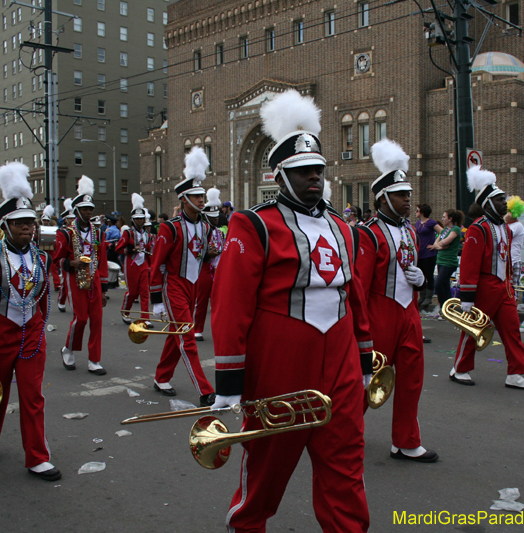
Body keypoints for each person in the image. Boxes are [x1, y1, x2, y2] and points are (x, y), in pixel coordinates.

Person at [210, 89, 373, 532]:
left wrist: (363, 358)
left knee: (345, 464)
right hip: (278, 365)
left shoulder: (343, 226)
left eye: (318, 170)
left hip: (338, 359)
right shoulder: (253, 224)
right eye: (302, 172)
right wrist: (229, 377)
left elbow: (354, 294)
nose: (313, 178)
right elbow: (231, 304)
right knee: (267, 469)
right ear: (279, 175)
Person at [0, 162, 60, 481]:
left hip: (31, 338)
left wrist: (40, 328)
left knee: (33, 397)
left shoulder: (41, 257)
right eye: (20, 224)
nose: (28, 228)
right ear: (5, 225)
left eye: (30, 222)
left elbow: (43, 295)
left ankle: (36, 457)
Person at [356, 138, 439, 462]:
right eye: (402, 195)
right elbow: (359, 287)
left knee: (411, 378)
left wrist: (419, 280)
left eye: (408, 195)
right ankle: (343, 433)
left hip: (408, 312)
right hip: (378, 314)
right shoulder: (368, 233)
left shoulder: (408, 229)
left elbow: (407, 264)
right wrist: (357, 329)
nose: (408, 201)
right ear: (383, 198)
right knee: (367, 379)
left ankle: (405, 441)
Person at [449, 166, 524, 390]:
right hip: (485, 286)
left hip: (504, 287)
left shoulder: (506, 229)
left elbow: (506, 260)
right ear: (488, 203)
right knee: (474, 328)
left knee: (512, 329)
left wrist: (511, 285)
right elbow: (470, 264)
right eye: (500, 200)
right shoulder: (478, 228)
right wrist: (467, 296)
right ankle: (460, 368)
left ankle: (516, 373)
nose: (504, 204)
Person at [148, 147, 216, 405]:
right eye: (197, 197)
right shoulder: (169, 227)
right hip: (174, 285)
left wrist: (211, 254)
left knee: (176, 333)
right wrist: (156, 299)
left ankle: (161, 377)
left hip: (194, 286)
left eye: (202, 196)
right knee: (187, 336)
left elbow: (200, 255)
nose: (202, 200)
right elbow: (157, 264)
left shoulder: (206, 224)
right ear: (184, 199)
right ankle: (205, 390)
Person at [54, 176, 109, 375]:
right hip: (75, 279)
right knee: (81, 319)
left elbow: (102, 261)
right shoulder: (66, 233)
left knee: (97, 320)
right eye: (85, 209)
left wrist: (103, 289)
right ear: (76, 210)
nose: (88, 212)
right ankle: (68, 349)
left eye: (90, 209)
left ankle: (94, 360)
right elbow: (57, 260)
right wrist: (71, 263)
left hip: (93, 278)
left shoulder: (99, 232)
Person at [193, 187, 224, 342]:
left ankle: (219, 330)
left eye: (216, 216)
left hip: (217, 269)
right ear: (205, 216)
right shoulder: (201, 231)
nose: (215, 219)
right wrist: (207, 255)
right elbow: (195, 252)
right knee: (202, 300)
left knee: (219, 301)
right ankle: (197, 329)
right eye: (212, 217)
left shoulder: (220, 232)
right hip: (204, 268)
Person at [117, 194, 151, 326]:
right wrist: (130, 249)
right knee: (132, 292)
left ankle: (145, 317)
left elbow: (148, 250)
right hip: (131, 264)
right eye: (137, 219)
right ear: (133, 220)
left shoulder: (147, 235)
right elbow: (119, 248)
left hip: (143, 264)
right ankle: (125, 311)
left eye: (141, 219)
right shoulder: (128, 233)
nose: (139, 221)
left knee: (144, 291)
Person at [414, 203, 443, 313]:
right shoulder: (417, 223)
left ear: (422, 212)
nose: (416, 212)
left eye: (417, 210)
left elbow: (443, 232)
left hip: (429, 253)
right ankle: (422, 295)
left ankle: (429, 297)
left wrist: (435, 244)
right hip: (420, 252)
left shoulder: (431, 223)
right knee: (421, 274)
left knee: (429, 275)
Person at [432, 209, 462, 307]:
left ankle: (444, 306)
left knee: (438, 284)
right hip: (440, 260)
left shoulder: (456, 229)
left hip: (449, 262)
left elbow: (444, 242)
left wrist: (440, 245)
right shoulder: (444, 230)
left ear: (450, 219)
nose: (442, 219)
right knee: (445, 285)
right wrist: (440, 246)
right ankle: (449, 308)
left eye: (444, 217)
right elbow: (435, 244)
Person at [56, 199, 75, 312]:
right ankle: (61, 300)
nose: (72, 220)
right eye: (70, 218)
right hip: (67, 259)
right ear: (65, 220)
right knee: (65, 282)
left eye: (73, 218)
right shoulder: (62, 231)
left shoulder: (77, 230)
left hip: (77, 258)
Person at [504, 196, 524, 290]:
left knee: (513, 290)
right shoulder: (508, 225)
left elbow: (506, 235)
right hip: (506, 261)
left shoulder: (517, 225)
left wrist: (504, 220)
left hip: (514, 261)